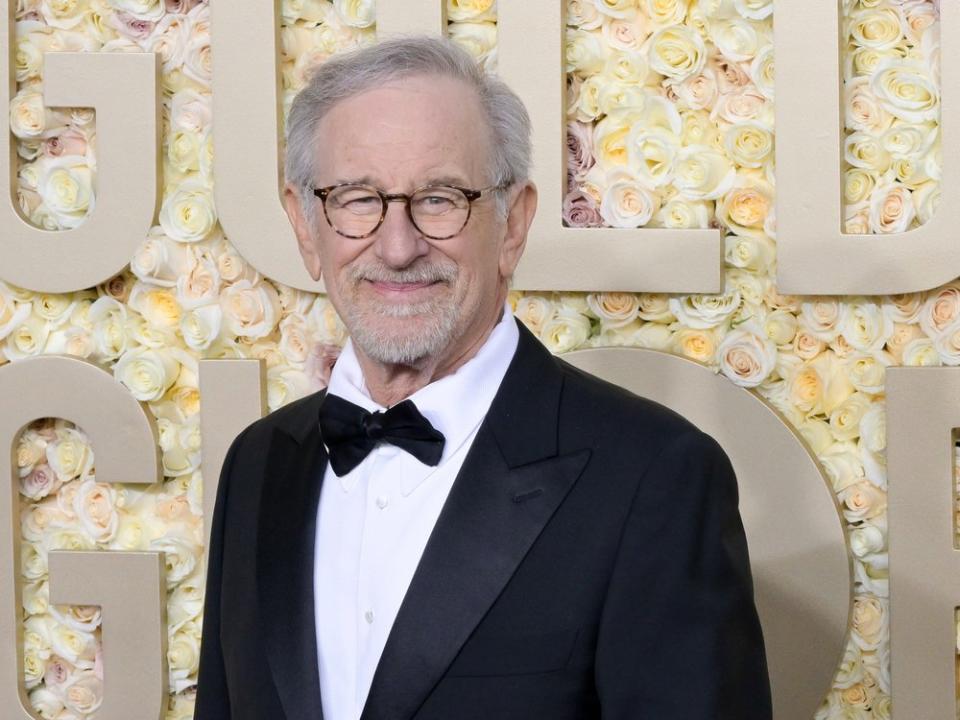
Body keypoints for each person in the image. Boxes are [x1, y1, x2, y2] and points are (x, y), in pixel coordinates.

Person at [195, 36, 771, 720]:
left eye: (439, 199)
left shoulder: (654, 476)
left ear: (514, 225)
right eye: (356, 199)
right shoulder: (259, 465)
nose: (398, 245)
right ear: (304, 224)